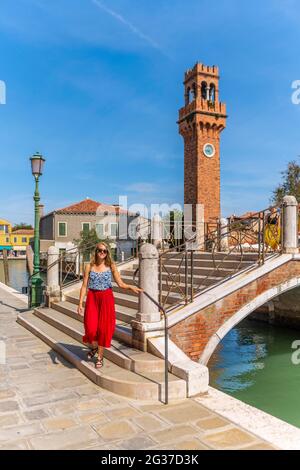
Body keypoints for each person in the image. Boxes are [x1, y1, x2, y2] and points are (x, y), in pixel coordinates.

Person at [77, 242, 143, 369]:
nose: (102, 253)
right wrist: (80, 303)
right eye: (100, 250)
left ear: (107, 253)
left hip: (106, 298)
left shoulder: (111, 266)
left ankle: (100, 357)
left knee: (103, 329)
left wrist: (130, 287)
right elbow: (84, 285)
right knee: (90, 328)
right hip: (92, 298)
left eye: (105, 251)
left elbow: (120, 283)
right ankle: (95, 348)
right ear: (95, 251)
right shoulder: (89, 266)